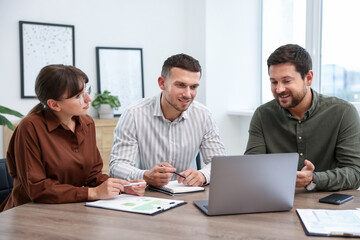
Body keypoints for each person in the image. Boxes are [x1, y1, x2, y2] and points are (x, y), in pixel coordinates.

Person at [0, 65, 146, 212]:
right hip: (28, 213)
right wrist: (92, 193)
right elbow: (37, 188)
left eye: (86, 91)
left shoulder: (86, 123)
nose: (89, 99)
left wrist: (123, 186)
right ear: (54, 104)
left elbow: (93, 177)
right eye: (78, 96)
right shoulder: (30, 127)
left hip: (69, 210)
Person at [245, 44, 360, 191]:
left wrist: (314, 179)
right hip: (275, 200)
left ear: (308, 78)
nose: (279, 89)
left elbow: (355, 173)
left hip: (327, 205)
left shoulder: (343, 113)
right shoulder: (262, 115)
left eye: (287, 81)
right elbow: (251, 168)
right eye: (274, 82)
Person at [110, 53, 225, 187]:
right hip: (147, 195)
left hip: (189, 194)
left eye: (193, 87)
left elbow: (220, 163)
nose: (188, 94)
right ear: (162, 83)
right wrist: (145, 175)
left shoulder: (204, 115)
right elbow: (117, 166)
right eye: (181, 85)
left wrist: (202, 175)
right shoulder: (134, 114)